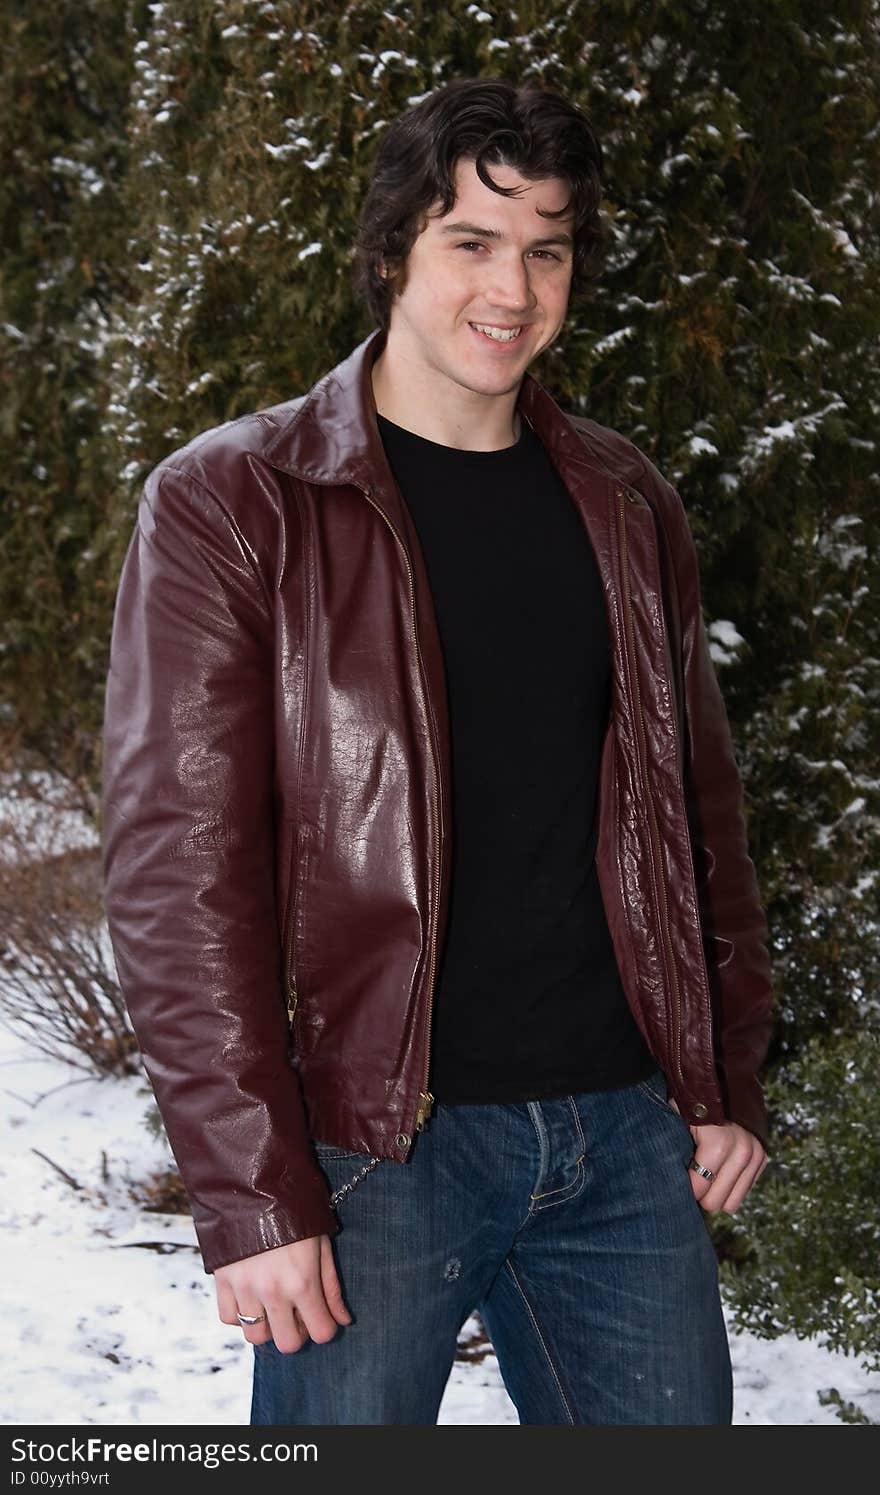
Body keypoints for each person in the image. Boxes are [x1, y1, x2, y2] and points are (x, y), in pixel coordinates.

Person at [101, 76, 773, 1427]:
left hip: (624, 1134)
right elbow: (180, 873)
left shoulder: (625, 498)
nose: (511, 287)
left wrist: (722, 1079)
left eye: (547, 246)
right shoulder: (238, 503)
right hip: (372, 1150)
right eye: (472, 239)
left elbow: (694, 811)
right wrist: (248, 1189)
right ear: (395, 248)